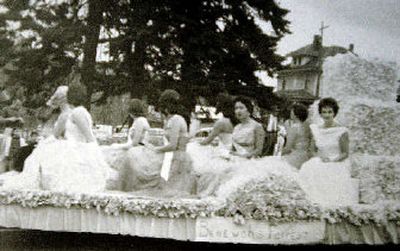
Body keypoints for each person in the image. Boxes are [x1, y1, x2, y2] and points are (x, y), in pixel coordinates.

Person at [1, 84, 117, 193]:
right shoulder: (76, 112)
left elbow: (66, 136)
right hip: (75, 146)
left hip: (75, 147)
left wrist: (44, 142)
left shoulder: (72, 114)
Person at [123, 89, 196, 197]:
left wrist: (156, 150)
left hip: (178, 158)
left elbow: (172, 145)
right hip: (174, 156)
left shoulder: (176, 120)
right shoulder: (174, 119)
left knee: (174, 193)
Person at [298, 98, 359, 207]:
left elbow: (345, 153)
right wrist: (319, 157)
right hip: (321, 159)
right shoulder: (316, 129)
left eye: (330, 112)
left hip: (337, 160)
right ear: (320, 114)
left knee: (329, 171)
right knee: (309, 167)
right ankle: (311, 202)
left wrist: (333, 160)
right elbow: (311, 150)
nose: (327, 115)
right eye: (324, 112)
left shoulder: (341, 131)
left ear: (334, 113)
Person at [280, 104, 311, 169]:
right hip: (306, 156)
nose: (290, 113)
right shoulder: (307, 126)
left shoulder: (294, 127)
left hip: (295, 156)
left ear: (296, 114)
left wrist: (280, 154)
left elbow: (288, 147)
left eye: (292, 112)